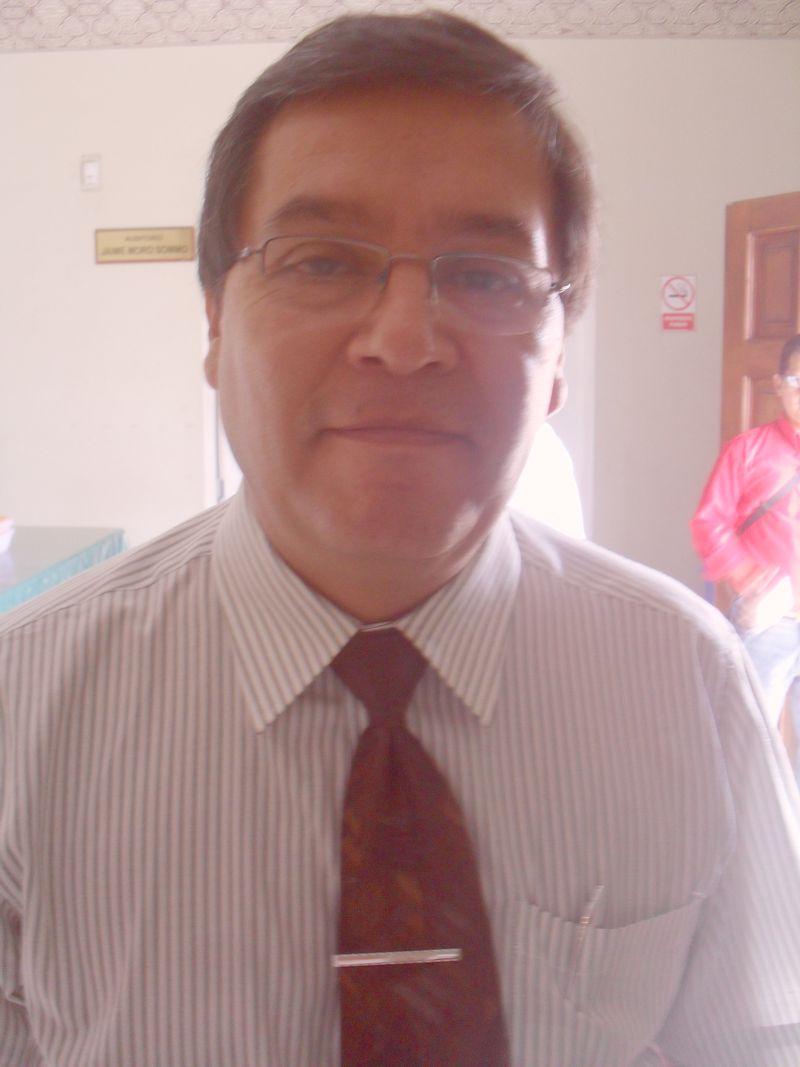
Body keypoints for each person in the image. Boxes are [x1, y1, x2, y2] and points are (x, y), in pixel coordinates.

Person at [1, 13, 799, 1066]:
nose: (404, 338)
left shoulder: (686, 684)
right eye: (322, 261)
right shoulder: (24, 707)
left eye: (486, 274)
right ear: (215, 321)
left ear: (559, 352)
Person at [691, 333, 800, 774]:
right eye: (797, 380)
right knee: (747, 746)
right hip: (768, 622)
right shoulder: (748, 450)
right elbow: (709, 522)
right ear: (778, 383)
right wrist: (745, 577)